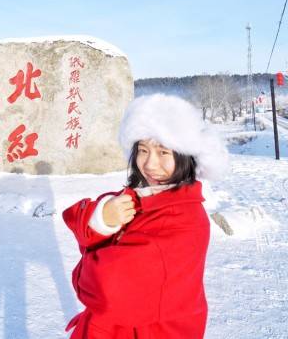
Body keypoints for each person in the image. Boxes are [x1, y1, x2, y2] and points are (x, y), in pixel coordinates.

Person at [62, 94, 229, 338]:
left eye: (163, 152)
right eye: (142, 150)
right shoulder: (142, 196)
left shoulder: (183, 221)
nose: (149, 164)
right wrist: (104, 218)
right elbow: (75, 218)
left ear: (185, 158)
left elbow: (104, 287)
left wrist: (85, 263)